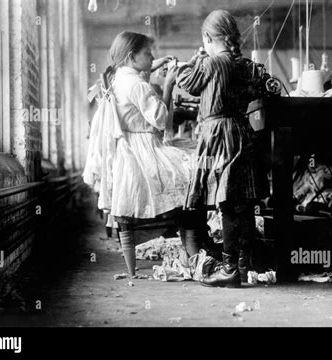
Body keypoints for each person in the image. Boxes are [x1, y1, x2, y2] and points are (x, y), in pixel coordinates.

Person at [176, 10, 268, 288]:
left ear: (207, 37)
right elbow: (259, 90)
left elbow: (185, 84)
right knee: (243, 204)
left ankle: (228, 269)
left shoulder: (211, 63)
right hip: (242, 131)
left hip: (218, 134)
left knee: (227, 202)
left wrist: (192, 61)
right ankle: (241, 266)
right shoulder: (246, 65)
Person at [106, 31, 201, 276]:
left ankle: (133, 269)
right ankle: (197, 247)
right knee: (193, 170)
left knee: (189, 164)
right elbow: (160, 120)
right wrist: (168, 84)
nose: (152, 57)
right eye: (148, 53)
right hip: (145, 151)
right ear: (131, 57)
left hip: (127, 152)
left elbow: (138, 77)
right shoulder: (138, 84)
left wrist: (156, 64)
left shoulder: (119, 78)